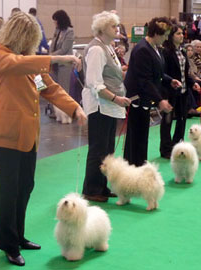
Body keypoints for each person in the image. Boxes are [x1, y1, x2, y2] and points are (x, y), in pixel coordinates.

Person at [0, 12, 87, 266]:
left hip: (28, 137)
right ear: (21, 35)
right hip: (4, 137)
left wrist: (75, 108)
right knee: (8, 192)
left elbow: (50, 88)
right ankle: (8, 245)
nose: (33, 42)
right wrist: (60, 57)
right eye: (31, 38)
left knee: (24, 188)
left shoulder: (30, 66)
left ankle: (18, 236)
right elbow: (15, 64)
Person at [81, 11, 131, 203]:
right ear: (102, 28)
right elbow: (94, 83)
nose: (117, 29)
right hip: (100, 106)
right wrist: (115, 98)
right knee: (98, 149)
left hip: (109, 106)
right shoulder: (96, 49)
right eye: (113, 26)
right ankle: (91, 188)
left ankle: (102, 186)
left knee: (108, 148)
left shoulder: (108, 47)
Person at [123, 17, 181, 166]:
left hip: (146, 99)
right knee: (136, 138)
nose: (167, 38)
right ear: (156, 34)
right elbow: (144, 80)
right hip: (137, 99)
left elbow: (158, 72)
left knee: (142, 137)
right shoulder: (143, 49)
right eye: (165, 34)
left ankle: (138, 167)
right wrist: (160, 100)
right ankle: (133, 169)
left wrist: (170, 80)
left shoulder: (155, 48)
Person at [160, 25, 200, 159]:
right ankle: (166, 149)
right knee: (167, 121)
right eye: (178, 34)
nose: (181, 36)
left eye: (182, 33)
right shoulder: (165, 52)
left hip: (183, 92)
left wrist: (192, 83)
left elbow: (185, 73)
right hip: (170, 92)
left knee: (182, 119)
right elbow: (163, 73)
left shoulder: (182, 52)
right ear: (171, 36)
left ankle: (178, 145)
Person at [49, 10, 75, 124]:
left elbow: (64, 49)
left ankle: (66, 113)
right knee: (54, 89)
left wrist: (51, 56)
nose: (54, 23)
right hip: (54, 64)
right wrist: (50, 56)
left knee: (64, 90)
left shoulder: (70, 32)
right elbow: (53, 44)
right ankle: (56, 112)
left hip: (64, 65)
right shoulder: (57, 30)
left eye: (56, 21)